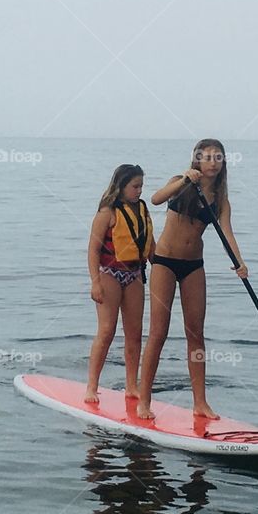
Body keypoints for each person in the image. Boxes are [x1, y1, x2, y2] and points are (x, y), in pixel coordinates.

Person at [136, 139, 247, 420]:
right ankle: (144, 400)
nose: (213, 161)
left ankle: (200, 402)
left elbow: (228, 234)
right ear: (197, 160)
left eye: (218, 157)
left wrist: (240, 262)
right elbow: (156, 198)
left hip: (194, 266)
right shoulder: (182, 182)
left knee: (196, 334)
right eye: (207, 156)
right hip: (164, 262)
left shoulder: (220, 200)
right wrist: (185, 178)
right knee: (158, 333)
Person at [86, 164, 154, 403]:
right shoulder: (107, 213)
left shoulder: (142, 209)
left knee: (134, 334)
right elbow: (93, 250)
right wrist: (96, 283)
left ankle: (131, 385)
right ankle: (92, 386)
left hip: (134, 274)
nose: (139, 191)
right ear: (121, 186)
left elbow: (149, 243)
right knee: (106, 331)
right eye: (135, 186)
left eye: (141, 187)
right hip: (109, 274)